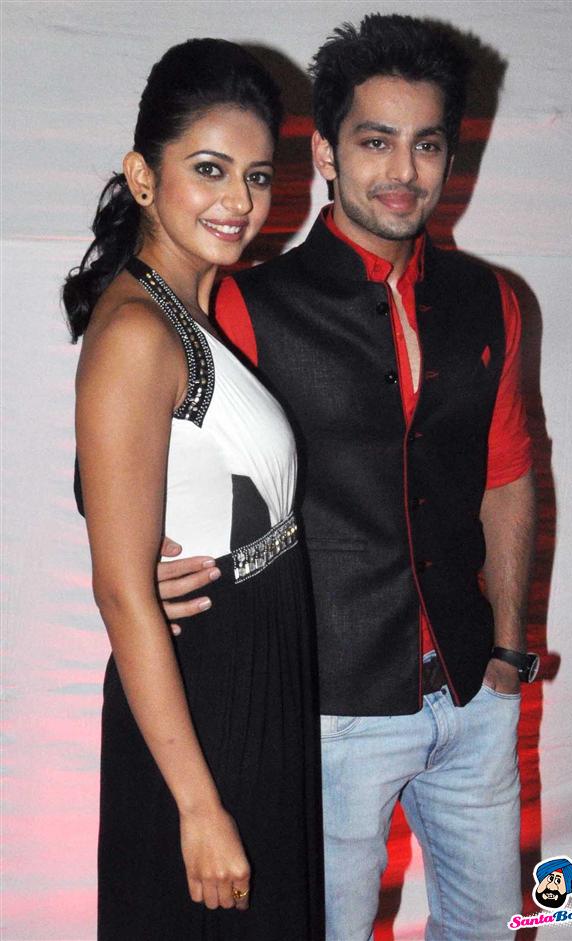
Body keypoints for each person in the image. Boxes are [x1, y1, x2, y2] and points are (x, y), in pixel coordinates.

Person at [159, 14, 537, 941]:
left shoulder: (491, 300)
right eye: (375, 142)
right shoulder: (246, 303)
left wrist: (506, 651)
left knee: (488, 928)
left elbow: (508, 476)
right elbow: (128, 464)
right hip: (329, 708)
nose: (403, 170)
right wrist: (146, 560)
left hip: (473, 697)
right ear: (326, 152)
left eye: (427, 144)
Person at [65, 38, 324, 941]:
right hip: (210, 703)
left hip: (253, 677)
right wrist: (199, 806)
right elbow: (119, 589)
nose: (240, 202)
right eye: (209, 169)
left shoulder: (184, 312)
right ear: (143, 176)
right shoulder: (139, 332)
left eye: (257, 176)